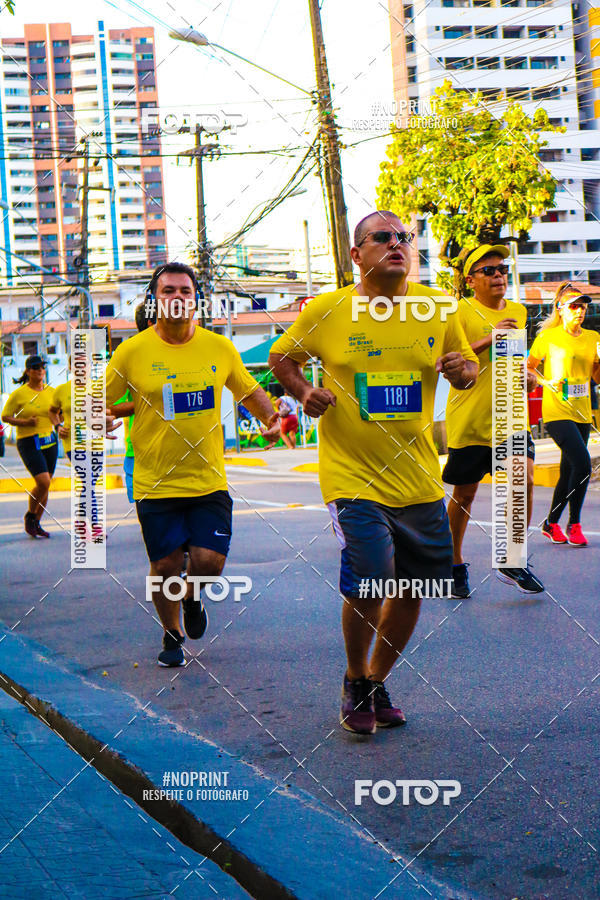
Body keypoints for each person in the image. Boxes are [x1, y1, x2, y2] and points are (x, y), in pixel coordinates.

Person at [270, 211, 478, 735]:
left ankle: (370, 682)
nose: (396, 244)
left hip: (419, 479)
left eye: (403, 237)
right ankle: (354, 673)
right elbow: (281, 356)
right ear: (356, 255)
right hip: (351, 476)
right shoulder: (326, 309)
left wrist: (466, 371)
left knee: (413, 589)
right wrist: (303, 391)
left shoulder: (435, 307)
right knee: (370, 574)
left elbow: (466, 367)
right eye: (382, 237)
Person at [106, 262, 281, 667]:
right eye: (168, 291)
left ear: (196, 300)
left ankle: (191, 594)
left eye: (185, 291)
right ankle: (171, 635)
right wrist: (100, 418)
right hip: (156, 481)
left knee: (209, 562)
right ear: (154, 300)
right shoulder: (132, 352)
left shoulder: (217, 348)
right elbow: (98, 400)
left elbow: (248, 389)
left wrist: (269, 417)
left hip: (207, 479)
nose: (178, 297)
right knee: (165, 565)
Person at [442, 244, 543, 597]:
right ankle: (453, 563)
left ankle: (511, 557)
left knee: (524, 478)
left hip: (510, 416)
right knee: (465, 495)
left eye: (501, 268)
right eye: (488, 270)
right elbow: (451, 358)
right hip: (469, 418)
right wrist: (491, 335)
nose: (498, 274)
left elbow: (515, 358)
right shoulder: (459, 312)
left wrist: (527, 375)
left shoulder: (518, 310)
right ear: (471, 280)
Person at [528, 283, 600, 547]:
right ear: (561, 310)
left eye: (583, 306)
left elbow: (596, 377)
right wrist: (545, 383)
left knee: (567, 470)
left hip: (582, 411)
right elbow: (530, 368)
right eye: (574, 306)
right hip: (557, 411)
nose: (580, 311)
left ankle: (551, 523)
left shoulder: (593, 338)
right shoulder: (548, 338)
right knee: (582, 463)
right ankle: (575, 523)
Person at [1, 355, 58, 538]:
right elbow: (5, 417)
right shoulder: (19, 394)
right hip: (28, 441)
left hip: (49, 440)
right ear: (28, 371)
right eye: (35, 367)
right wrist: (25, 421)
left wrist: (60, 423)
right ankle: (30, 516)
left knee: (46, 485)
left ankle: (36, 523)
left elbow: (59, 413)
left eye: (42, 367)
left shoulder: (52, 392)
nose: (40, 370)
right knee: (43, 482)